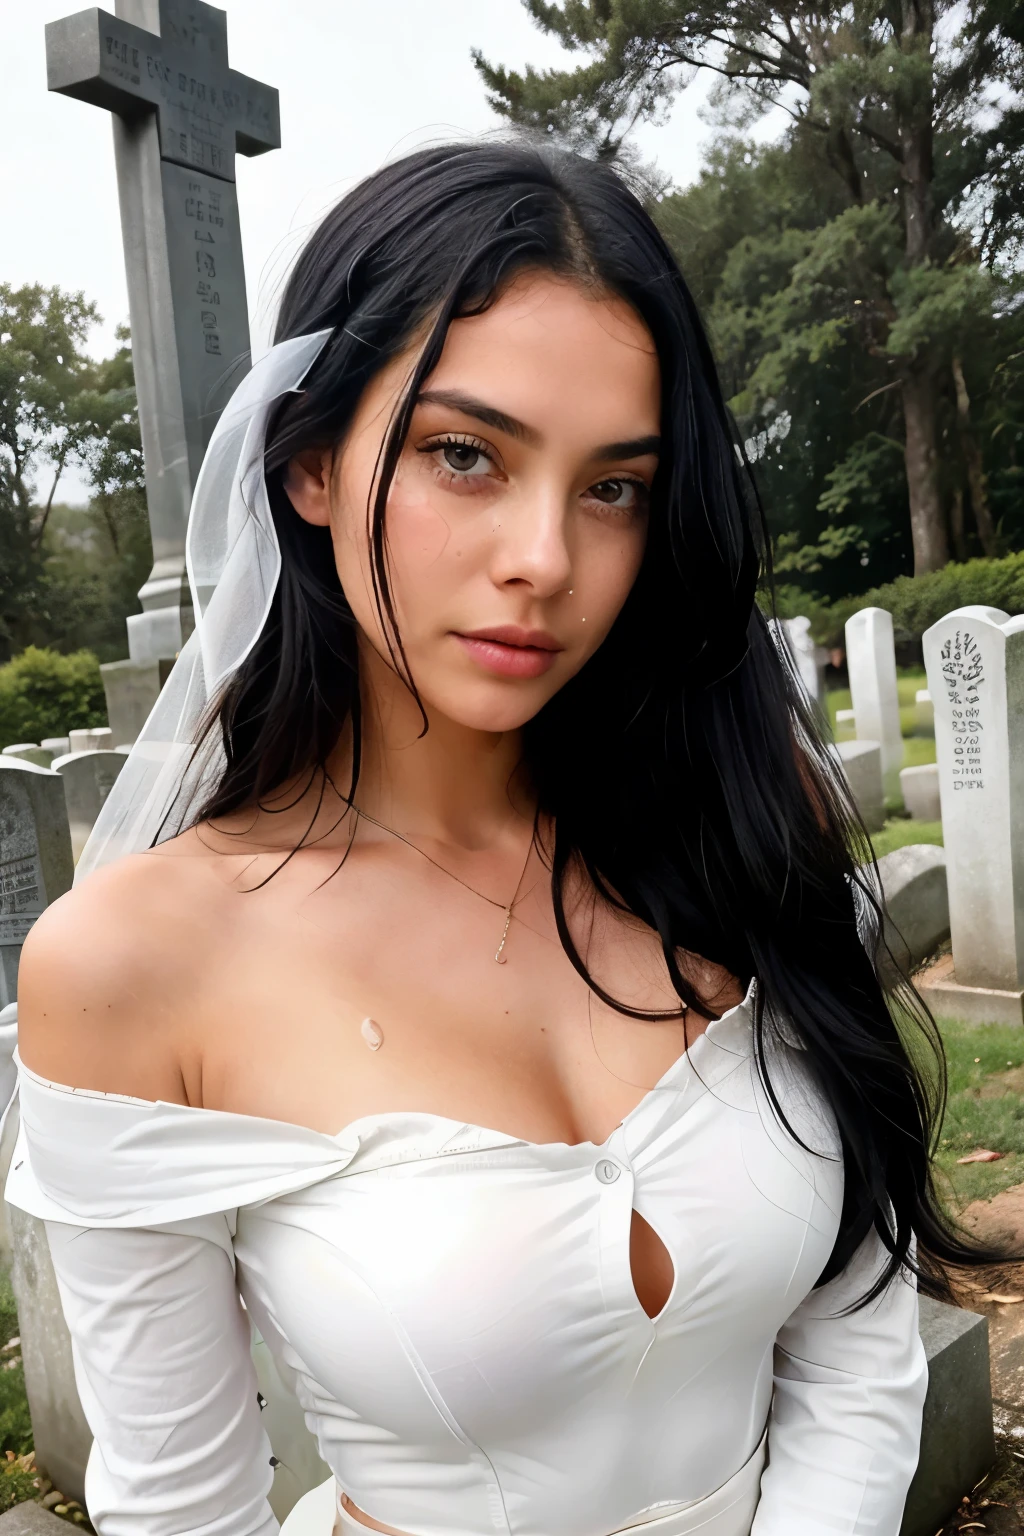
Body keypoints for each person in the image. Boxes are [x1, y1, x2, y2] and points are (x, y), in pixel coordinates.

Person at [6, 140, 986, 1536]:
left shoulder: (736, 822)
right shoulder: (136, 965)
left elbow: (858, 1337)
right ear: (309, 469)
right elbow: (178, 1508)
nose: (546, 558)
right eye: (465, 455)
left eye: (615, 487)